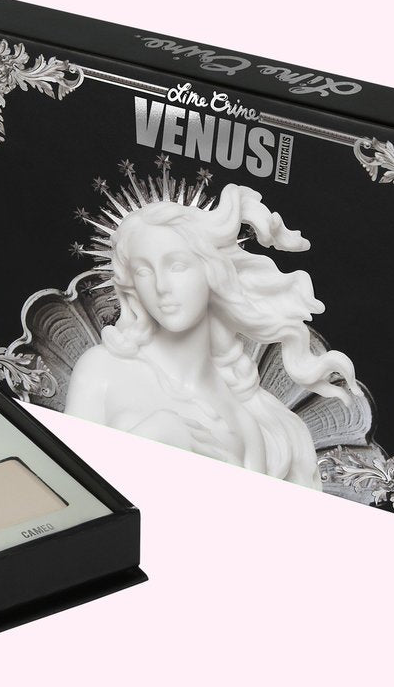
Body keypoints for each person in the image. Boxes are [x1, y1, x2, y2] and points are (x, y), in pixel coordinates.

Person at [65, 181, 361, 489]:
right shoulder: (102, 369)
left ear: (213, 271)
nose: (161, 287)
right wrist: (152, 436)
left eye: (177, 266)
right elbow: (65, 485)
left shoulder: (248, 422)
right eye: (143, 271)